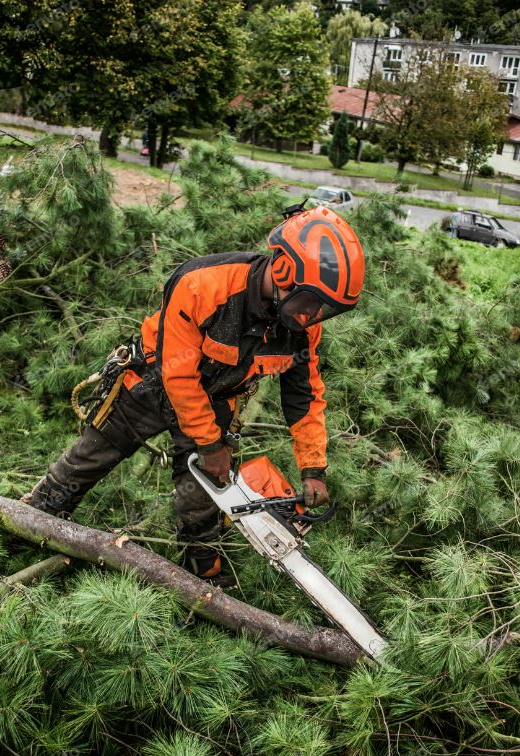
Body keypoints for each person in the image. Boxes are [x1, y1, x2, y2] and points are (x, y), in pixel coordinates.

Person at [23, 205, 365, 581]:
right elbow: (178, 377)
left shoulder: (301, 324)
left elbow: (305, 396)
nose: (312, 315)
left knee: (202, 500)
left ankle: (202, 581)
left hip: (218, 398)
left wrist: (313, 468)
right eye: (310, 302)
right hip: (151, 382)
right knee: (89, 459)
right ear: (284, 269)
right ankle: (30, 523)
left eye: (323, 310)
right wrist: (210, 446)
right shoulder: (203, 285)